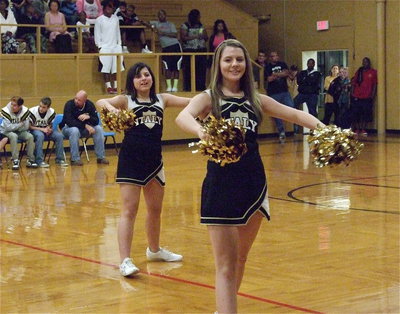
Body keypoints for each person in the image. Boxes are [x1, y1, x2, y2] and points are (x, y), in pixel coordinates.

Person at [175, 39, 323, 313]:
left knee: (240, 259)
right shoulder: (209, 98)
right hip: (221, 186)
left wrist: (324, 128)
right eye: (228, 59)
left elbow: (297, 116)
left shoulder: (257, 99)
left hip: (254, 185)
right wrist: (202, 132)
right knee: (226, 265)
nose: (235, 64)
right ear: (219, 64)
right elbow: (183, 117)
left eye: (239, 60)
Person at [96, 62, 190, 277]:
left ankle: (154, 250)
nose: (144, 79)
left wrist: (211, 97)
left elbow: (190, 102)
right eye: (138, 76)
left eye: (147, 74)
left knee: (155, 209)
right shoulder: (125, 100)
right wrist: (113, 109)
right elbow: (100, 101)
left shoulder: (162, 99)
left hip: (155, 161)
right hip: (131, 161)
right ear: (132, 81)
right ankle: (125, 260)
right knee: (129, 210)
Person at [61, 90, 109, 166]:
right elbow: (70, 122)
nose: (76, 101)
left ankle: (101, 157)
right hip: (67, 129)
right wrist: (85, 126)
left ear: (85, 100)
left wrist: (89, 117)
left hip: (84, 130)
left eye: (79, 100)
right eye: (76, 98)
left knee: (98, 129)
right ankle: (75, 159)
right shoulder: (69, 104)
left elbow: (96, 121)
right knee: (74, 130)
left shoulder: (90, 105)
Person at [94, 0, 124, 94]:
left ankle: (115, 87)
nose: (110, 9)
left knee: (116, 67)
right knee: (105, 68)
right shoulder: (99, 20)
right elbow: (97, 33)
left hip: (115, 46)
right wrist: (99, 46)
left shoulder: (115, 19)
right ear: (104, 8)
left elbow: (117, 32)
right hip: (105, 47)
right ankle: (108, 87)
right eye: (108, 7)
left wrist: (119, 44)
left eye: (111, 7)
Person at [29, 97, 68, 167]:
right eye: (40, 106)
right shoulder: (32, 111)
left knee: (59, 136)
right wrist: (42, 130)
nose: (41, 108)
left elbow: (50, 124)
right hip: (34, 130)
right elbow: (29, 127)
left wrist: (49, 129)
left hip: (45, 130)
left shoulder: (52, 112)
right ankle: (39, 161)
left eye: (44, 107)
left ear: (48, 108)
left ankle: (60, 159)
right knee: (40, 136)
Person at [0, 96, 38, 170]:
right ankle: (15, 160)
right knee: (13, 136)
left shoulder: (25, 111)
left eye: (15, 105)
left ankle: (30, 160)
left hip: (20, 131)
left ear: (20, 106)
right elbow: (8, 128)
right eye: (11, 104)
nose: (12, 107)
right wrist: (20, 124)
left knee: (30, 136)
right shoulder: (6, 111)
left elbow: (26, 127)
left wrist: (16, 126)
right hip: (6, 132)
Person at [265, 51, 295, 142]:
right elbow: (269, 79)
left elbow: (286, 73)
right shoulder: (267, 67)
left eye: (276, 56)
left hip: (284, 91)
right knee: (275, 113)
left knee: (291, 106)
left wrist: (275, 74)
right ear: (270, 58)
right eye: (272, 56)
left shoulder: (282, 64)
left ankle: (290, 126)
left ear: (278, 57)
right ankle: (281, 131)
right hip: (273, 93)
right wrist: (280, 74)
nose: (274, 57)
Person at [149, 9, 182, 92]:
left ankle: (175, 87)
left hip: (175, 46)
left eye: (163, 14)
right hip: (165, 48)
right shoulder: (156, 23)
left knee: (176, 67)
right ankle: (169, 86)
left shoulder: (171, 24)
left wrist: (163, 33)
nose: (161, 16)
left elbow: (175, 34)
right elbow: (147, 23)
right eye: (159, 15)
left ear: (165, 16)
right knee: (167, 67)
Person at [180, 9, 208, 91]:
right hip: (189, 50)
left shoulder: (201, 25)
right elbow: (183, 38)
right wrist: (195, 37)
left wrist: (203, 36)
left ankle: (201, 87)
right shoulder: (185, 25)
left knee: (201, 70)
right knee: (189, 70)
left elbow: (206, 37)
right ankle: (188, 88)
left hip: (200, 49)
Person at [350, 57, 377, 136]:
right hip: (357, 95)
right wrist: (352, 93)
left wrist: (372, 94)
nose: (365, 63)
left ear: (369, 63)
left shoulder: (373, 72)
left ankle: (363, 129)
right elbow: (354, 82)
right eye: (364, 62)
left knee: (365, 113)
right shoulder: (359, 71)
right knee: (356, 113)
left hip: (367, 96)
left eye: (366, 62)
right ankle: (357, 129)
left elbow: (375, 84)